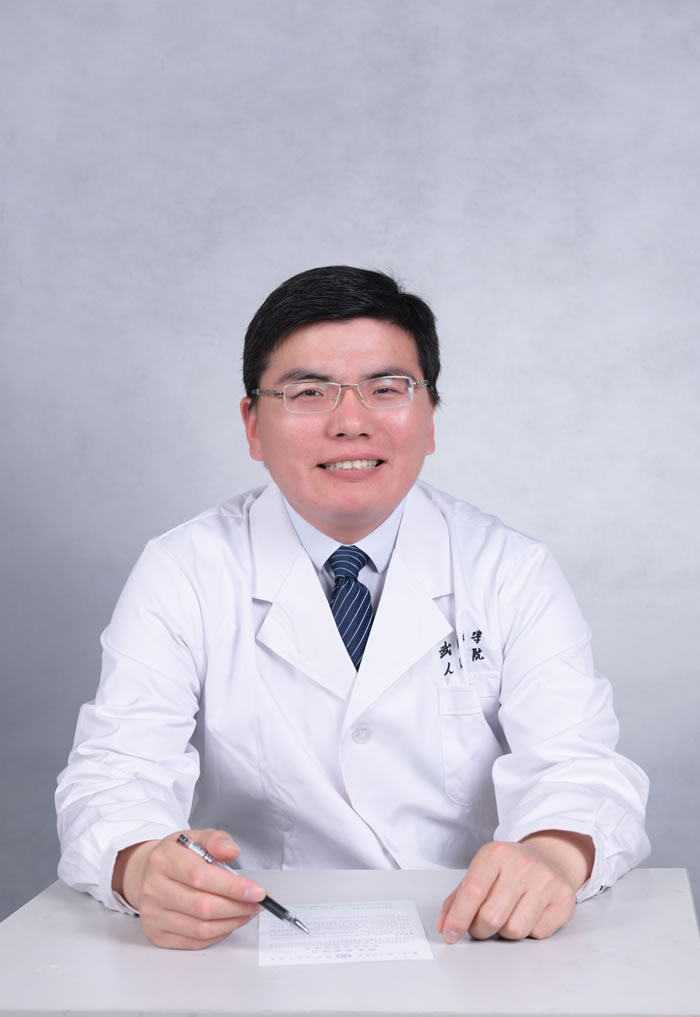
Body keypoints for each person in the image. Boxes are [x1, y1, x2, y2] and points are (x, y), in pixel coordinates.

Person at [56, 266, 650, 950]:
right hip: (254, 940)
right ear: (253, 425)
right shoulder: (184, 570)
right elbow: (115, 773)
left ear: (430, 417)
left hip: (471, 939)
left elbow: (578, 768)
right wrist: (140, 867)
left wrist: (552, 856)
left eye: (386, 389)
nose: (351, 423)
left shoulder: (509, 570)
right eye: (309, 392)